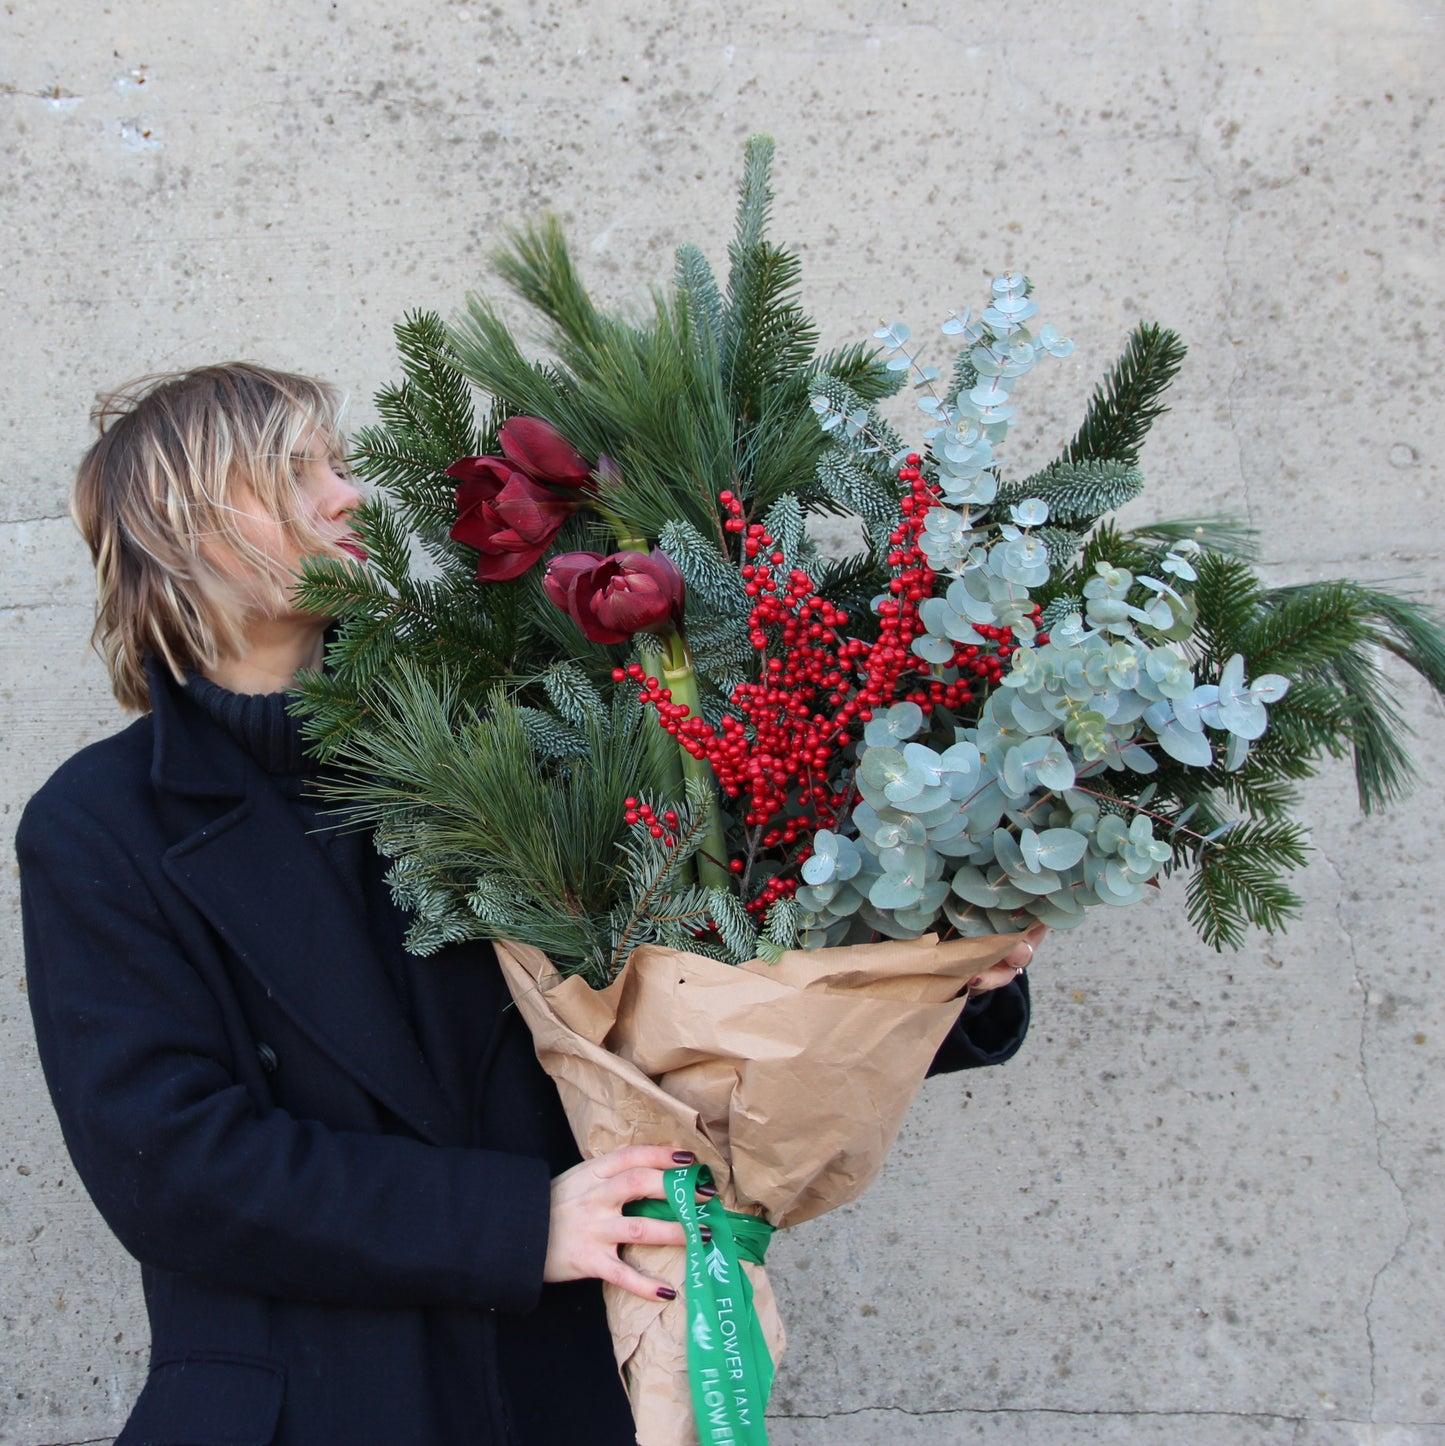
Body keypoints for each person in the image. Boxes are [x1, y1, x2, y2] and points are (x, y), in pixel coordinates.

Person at [18, 362, 1037, 1446]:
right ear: (185, 528)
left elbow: (711, 977)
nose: (349, 497)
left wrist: (931, 975)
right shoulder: (103, 827)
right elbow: (169, 1167)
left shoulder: (507, 739)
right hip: (305, 1404)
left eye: (344, 466)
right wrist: (512, 1226)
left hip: (563, 1393)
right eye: (295, 472)